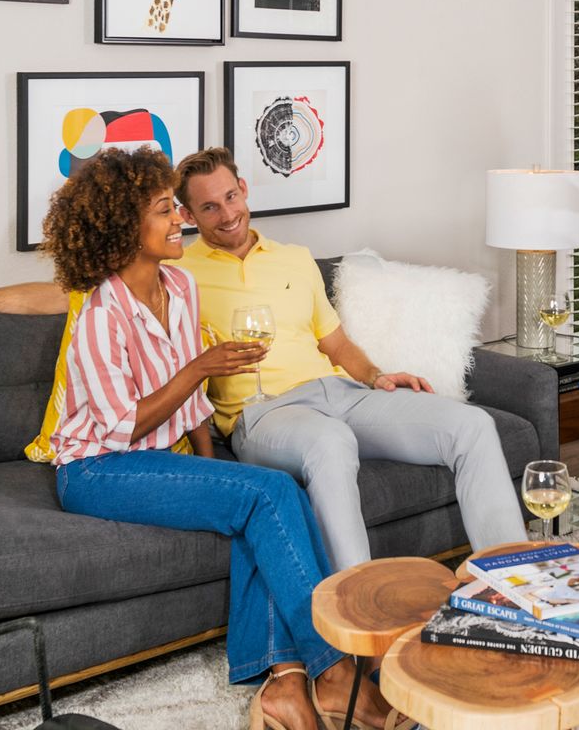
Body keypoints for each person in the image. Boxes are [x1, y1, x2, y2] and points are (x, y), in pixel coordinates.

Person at [0, 145, 528, 574]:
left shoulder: (288, 261)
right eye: (202, 208)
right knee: (323, 449)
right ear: (187, 216)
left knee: (470, 425)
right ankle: (354, 605)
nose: (224, 215)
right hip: (265, 412)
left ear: (244, 189)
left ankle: (514, 588)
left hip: (337, 390)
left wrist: (376, 376)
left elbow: (334, 344)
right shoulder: (174, 264)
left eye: (230, 197)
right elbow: (69, 291)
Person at [34, 145, 387, 730]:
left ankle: (285, 684)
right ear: (125, 228)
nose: (181, 220)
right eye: (163, 211)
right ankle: (336, 672)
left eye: (176, 207)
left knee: (259, 499)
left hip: (153, 459)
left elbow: (193, 407)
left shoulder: (178, 284)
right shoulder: (102, 312)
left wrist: (217, 471)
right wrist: (202, 365)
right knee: (268, 495)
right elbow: (123, 425)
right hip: (96, 469)